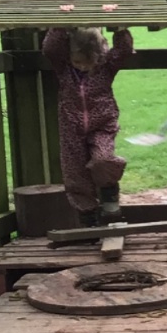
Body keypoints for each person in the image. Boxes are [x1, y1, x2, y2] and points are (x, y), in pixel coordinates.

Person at [41, 25, 133, 225]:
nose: (82, 67)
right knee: (74, 173)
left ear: (98, 56)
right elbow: (50, 49)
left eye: (88, 62)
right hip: (71, 127)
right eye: (77, 62)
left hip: (102, 125)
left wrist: (120, 29)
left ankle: (109, 196)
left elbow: (123, 50)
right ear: (69, 55)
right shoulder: (65, 69)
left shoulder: (106, 67)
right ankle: (87, 215)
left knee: (103, 159)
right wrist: (61, 25)